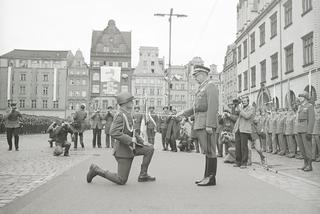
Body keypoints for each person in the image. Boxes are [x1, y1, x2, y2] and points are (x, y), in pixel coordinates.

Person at [86, 92, 156, 185]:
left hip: (131, 147)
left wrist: (143, 142)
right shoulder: (120, 115)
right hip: (123, 150)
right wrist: (130, 139)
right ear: (124, 102)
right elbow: (113, 132)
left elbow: (133, 131)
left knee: (149, 149)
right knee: (121, 180)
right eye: (130, 101)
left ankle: (143, 175)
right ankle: (96, 170)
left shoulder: (128, 114)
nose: (132, 102)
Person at [178, 65, 219, 186]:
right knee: (207, 151)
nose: (195, 78)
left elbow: (213, 106)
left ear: (203, 74)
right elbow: (196, 107)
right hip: (201, 122)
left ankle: (211, 178)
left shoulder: (210, 86)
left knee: (210, 150)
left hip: (206, 123)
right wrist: (184, 113)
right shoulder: (202, 87)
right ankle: (206, 176)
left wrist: (210, 125)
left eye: (196, 75)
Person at [233, 96, 254, 169]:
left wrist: (240, 109)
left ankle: (244, 162)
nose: (243, 102)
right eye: (242, 101)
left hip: (245, 129)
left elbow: (247, 116)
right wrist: (236, 106)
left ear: (248, 101)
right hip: (238, 129)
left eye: (245, 101)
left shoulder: (251, 108)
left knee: (244, 147)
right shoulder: (241, 108)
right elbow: (236, 113)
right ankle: (238, 161)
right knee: (237, 146)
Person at [296, 91, 315, 171]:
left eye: (301, 97)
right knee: (302, 148)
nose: (299, 98)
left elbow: (311, 120)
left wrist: (309, 132)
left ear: (305, 98)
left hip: (306, 130)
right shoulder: (300, 107)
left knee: (307, 148)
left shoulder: (310, 106)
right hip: (300, 130)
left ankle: (309, 165)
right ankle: (305, 163)